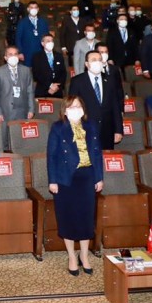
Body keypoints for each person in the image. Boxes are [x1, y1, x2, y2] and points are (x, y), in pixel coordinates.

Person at [47, 95, 103, 276]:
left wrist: (99, 177)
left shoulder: (91, 126)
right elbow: (52, 156)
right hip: (65, 179)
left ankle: (84, 256)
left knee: (86, 218)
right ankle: (72, 256)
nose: (75, 110)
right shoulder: (57, 128)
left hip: (87, 176)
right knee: (68, 219)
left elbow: (97, 153)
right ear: (64, 110)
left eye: (78, 106)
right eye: (71, 107)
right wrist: (53, 180)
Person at [67, 49, 124, 148]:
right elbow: (71, 107)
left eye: (99, 59)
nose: (97, 62)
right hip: (86, 130)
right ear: (87, 64)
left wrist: (118, 130)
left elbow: (115, 106)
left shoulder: (110, 80)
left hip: (107, 131)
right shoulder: (77, 81)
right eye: (94, 60)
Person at [0, 46, 34, 150]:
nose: (13, 56)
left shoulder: (26, 70)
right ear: (5, 57)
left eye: (15, 54)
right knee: (5, 141)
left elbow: (30, 91)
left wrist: (31, 109)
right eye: (10, 54)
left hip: (22, 110)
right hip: (5, 111)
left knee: (20, 140)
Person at [31, 34, 67, 98]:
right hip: (42, 91)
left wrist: (57, 87)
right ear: (42, 43)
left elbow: (63, 73)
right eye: (48, 41)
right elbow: (36, 74)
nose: (50, 43)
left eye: (52, 41)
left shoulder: (59, 56)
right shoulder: (37, 57)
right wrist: (50, 85)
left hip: (57, 91)